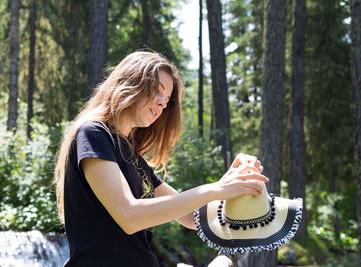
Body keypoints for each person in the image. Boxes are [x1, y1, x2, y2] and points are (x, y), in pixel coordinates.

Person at [53, 51, 268, 267]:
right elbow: (129, 216)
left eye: (166, 100)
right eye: (157, 92)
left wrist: (233, 183)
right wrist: (215, 188)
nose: (162, 104)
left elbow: (190, 216)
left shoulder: (132, 156)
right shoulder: (94, 133)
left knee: (223, 263)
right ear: (130, 83)